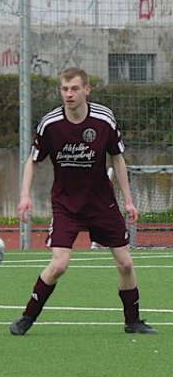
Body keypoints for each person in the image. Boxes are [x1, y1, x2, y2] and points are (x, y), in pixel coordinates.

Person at [10, 67, 156, 336]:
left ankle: (133, 321)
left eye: (74, 89)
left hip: (101, 203)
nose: (69, 94)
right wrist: (24, 195)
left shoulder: (103, 119)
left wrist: (129, 200)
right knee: (59, 265)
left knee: (125, 263)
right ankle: (27, 318)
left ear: (86, 90)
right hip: (66, 205)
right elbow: (32, 160)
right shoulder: (50, 124)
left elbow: (117, 158)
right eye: (64, 89)